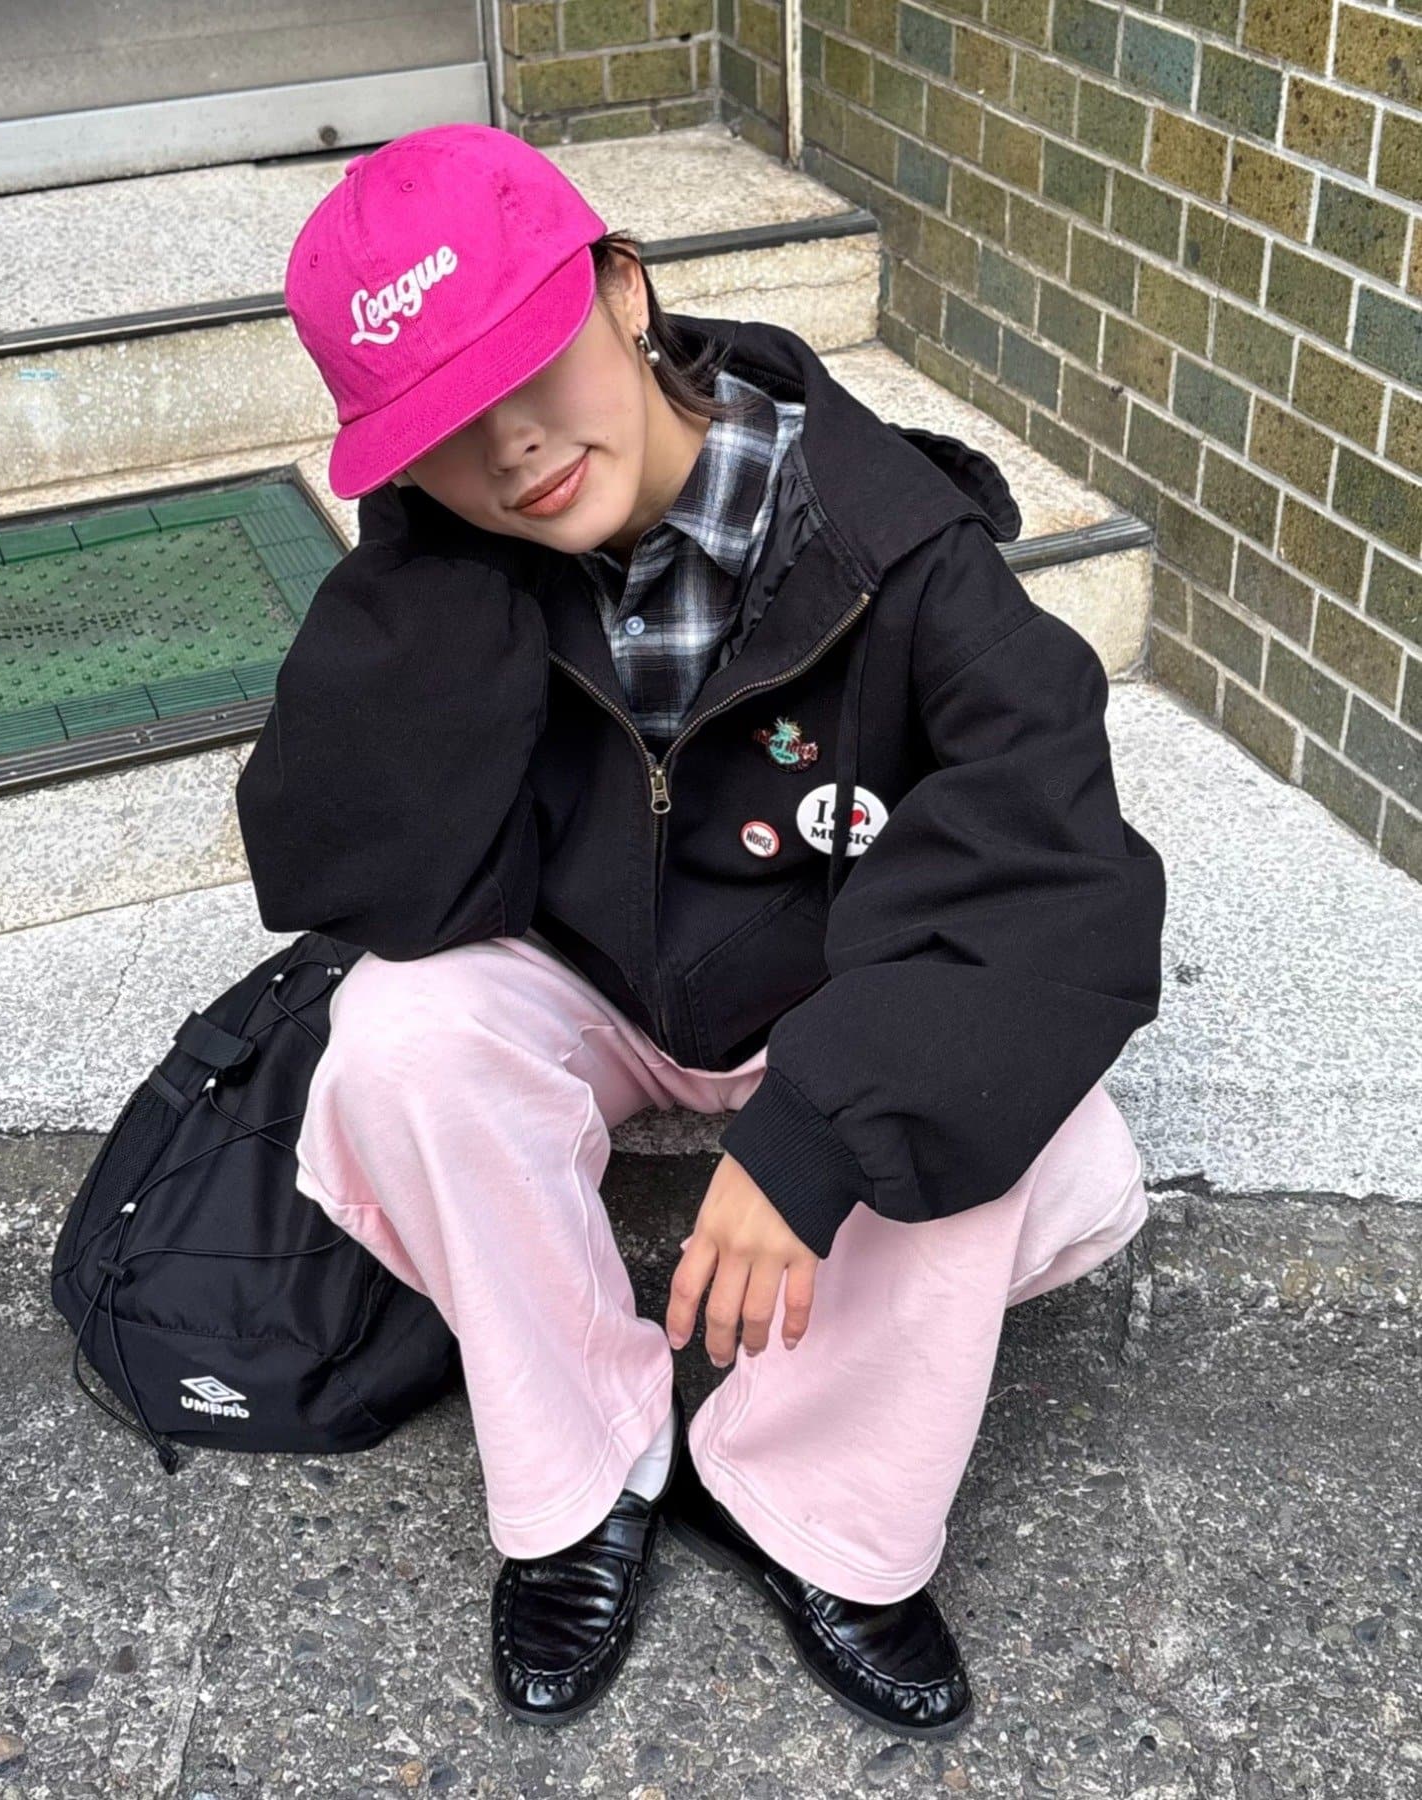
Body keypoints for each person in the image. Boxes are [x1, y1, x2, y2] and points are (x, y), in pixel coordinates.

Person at [235, 122, 1166, 1736]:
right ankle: (584, 1475)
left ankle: (808, 1501)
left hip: (828, 992)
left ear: (623, 290)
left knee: (1003, 1104)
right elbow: (350, 874)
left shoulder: (894, 546)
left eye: (526, 366)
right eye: (441, 425)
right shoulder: (471, 548)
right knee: (394, 1038)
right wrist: (422, 575)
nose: (512, 447)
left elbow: (1060, 874)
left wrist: (816, 1131)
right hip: (596, 985)